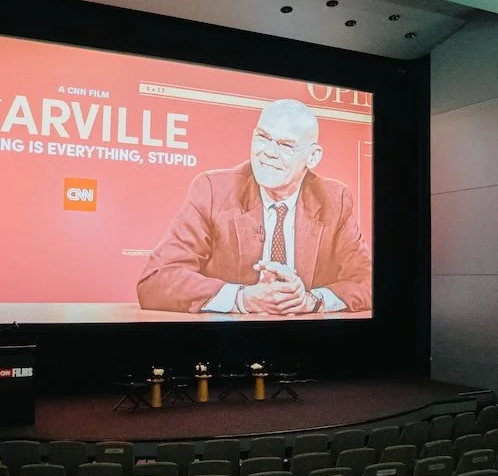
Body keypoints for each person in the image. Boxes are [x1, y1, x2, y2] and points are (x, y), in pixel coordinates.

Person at [136, 98, 371, 314]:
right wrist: (243, 298)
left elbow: (369, 280)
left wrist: (313, 300)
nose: (268, 152)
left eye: (286, 146)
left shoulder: (334, 199)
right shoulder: (213, 191)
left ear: (312, 157)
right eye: (263, 137)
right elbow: (157, 280)